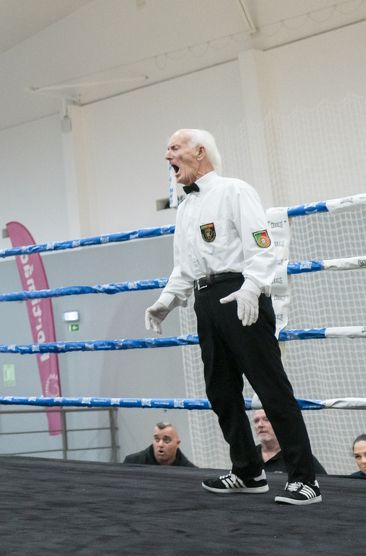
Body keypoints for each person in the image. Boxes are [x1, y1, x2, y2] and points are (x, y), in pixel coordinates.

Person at [145, 129, 321, 506]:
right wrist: (166, 300)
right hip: (204, 301)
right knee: (220, 390)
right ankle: (248, 471)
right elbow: (184, 267)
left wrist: (253, 286)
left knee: (270, 386)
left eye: (174, 148)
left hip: (241, 293)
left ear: (200, 152)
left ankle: (305, 479)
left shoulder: (235, 190)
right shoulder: (185, 206)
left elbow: (262, 243)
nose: (167, 156)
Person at [252, 409, 326, 475]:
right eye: (256, 421)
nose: (260, 425)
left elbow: (328, 486)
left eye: (266, 419)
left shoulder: (300, 457)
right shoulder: (247, 456)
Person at [123, 422, 196, 467]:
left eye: (166, 440)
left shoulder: (190, 471)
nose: (160, 444)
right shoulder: (132, 463)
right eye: (157, 439)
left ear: (177, 444)